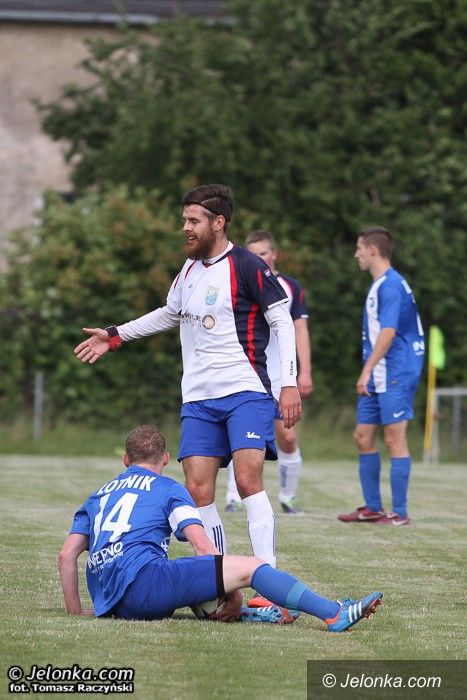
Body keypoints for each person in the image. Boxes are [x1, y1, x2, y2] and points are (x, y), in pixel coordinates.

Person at [74, 184, 302, 617]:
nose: (186, 227)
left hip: (245, 391)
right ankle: (222, 585)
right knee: (197, 490)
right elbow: (169, 312)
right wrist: (116, 335)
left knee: (248, 481)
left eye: (194, 220)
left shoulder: (247, 265)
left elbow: (281, 320)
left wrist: (287, 382)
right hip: (198, 398)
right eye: (184, 220)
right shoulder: (190, 269)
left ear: (219, 222)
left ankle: (267, 585)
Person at [59, 424, 383, 632]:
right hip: (146, 588)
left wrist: (76, 612)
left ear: (125, 460)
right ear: (166, 458)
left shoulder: (97, 495)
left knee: (185, 577)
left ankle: (253, 615)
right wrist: (235, 592)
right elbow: (202, 547)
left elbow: (67, 555)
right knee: (252, 567)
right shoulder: (169, 488)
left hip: (110, 602)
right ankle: (333, 613)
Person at [338, 227, 425, 526]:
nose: (356, 254)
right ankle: (373, 507)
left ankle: (399, 513)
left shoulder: (392, 285)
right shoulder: (380, 285)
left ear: (373, 250)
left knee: (393, 439)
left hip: (395, 372)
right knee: (362, 436)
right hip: (378, 374)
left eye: (359, 248)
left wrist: (365, 370)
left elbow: (388, 333)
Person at [225, 230, 313, 515]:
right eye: (253, 254)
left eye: (263, 253)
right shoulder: (238, 282)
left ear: (273, 254)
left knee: (287, 437)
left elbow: (300, 331)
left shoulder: (290, 287)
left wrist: (304, 372)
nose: (259, 259)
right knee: (242, 436)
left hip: (280, 377)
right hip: (248, 372)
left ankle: (288, 497)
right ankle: (233, 497)